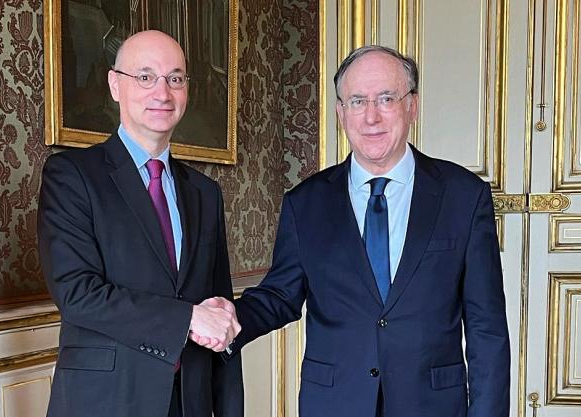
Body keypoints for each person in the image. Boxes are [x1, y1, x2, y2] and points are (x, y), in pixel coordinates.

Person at [199, 45, 511, 416]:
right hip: (334, 403)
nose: (371, 117)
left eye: (386, 98)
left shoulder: (463, 195)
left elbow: (486, 327)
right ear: (340, 112)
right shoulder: (306, 203)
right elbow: (281, 295)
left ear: (412, 104)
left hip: (431, 405)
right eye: (357, 101)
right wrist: (231, 318)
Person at [38, 30, 243, 417]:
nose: (162, 93)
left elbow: (220, 308)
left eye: (175, 78)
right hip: (108, 400)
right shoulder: (71, 175)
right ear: (115, 85)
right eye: (145, 77)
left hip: (191, 402)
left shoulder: (204, 192)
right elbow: (77, 294)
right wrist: (188, 318)